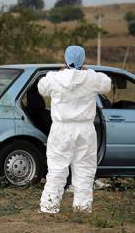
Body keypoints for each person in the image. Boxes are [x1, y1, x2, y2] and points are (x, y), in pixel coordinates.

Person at [38, 45, 111, 213]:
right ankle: (82, 207)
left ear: (65, 59)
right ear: (83, 60)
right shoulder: (91, 78)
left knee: (57, 168)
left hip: (61, 129)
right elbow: (107, 84)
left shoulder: (55, 78)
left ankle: (49, 206)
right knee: (85, 169)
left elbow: (42, 87)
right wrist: (88, 71)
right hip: (85, 129)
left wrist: (61, 72)